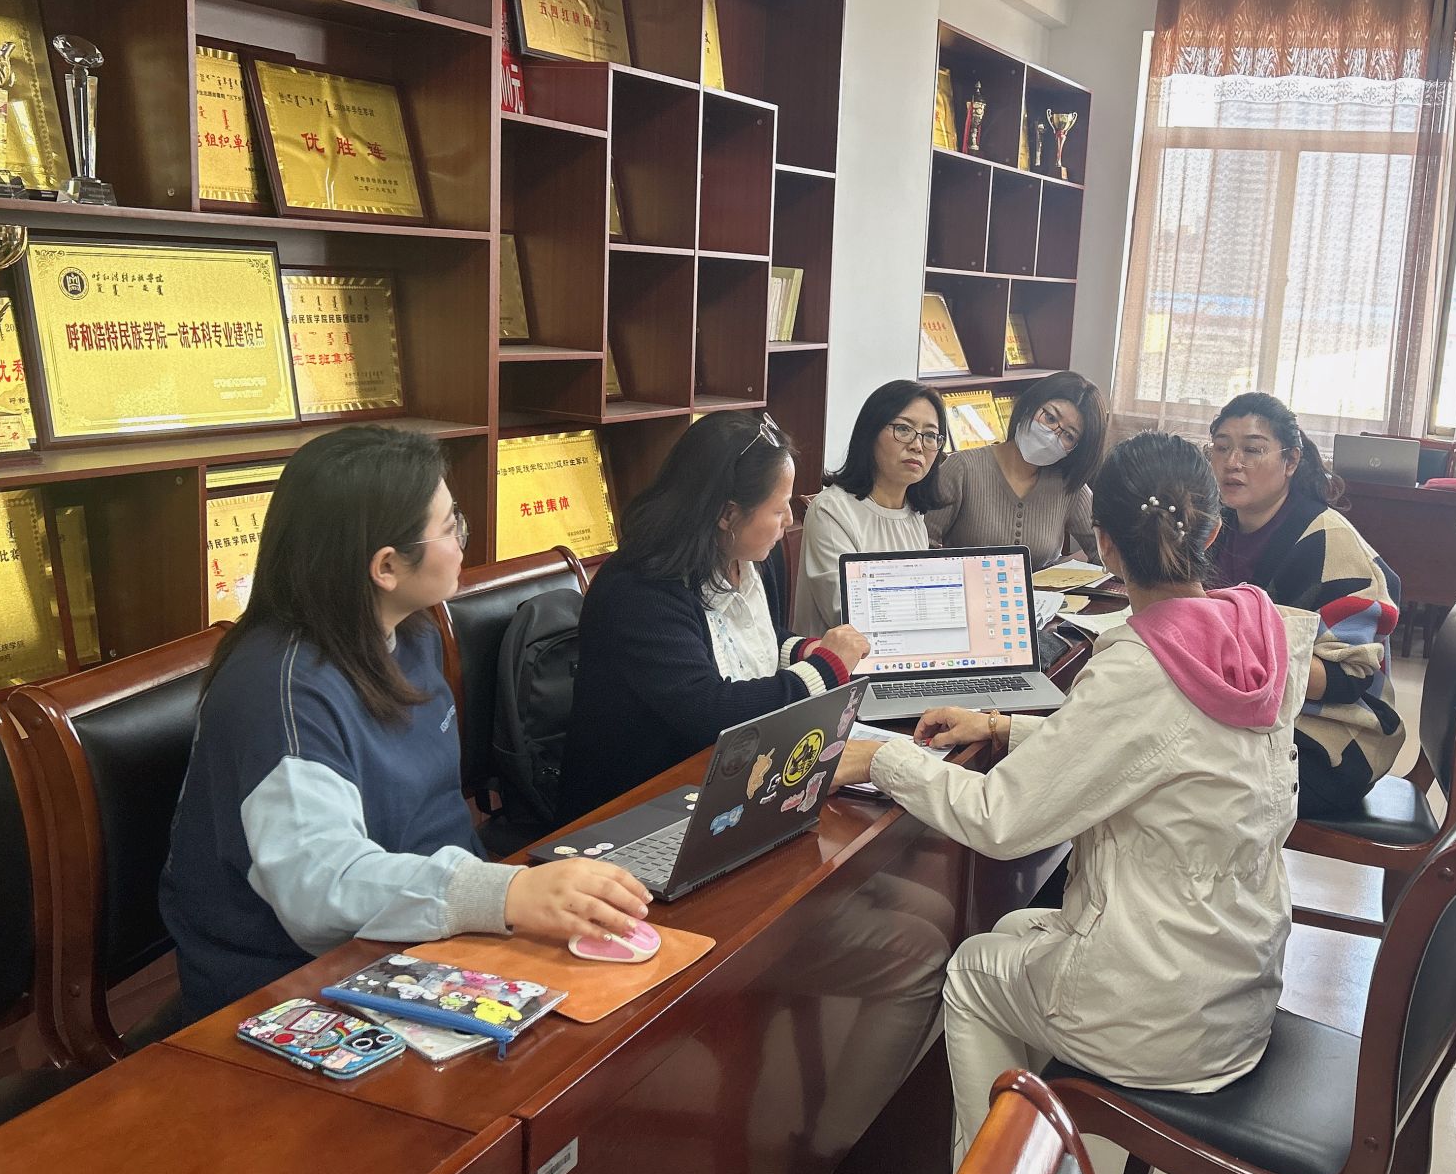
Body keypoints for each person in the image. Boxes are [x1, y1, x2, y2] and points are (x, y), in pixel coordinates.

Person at [837, 431, 1341, 1165]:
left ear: (1104, 545)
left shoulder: (1141, 668)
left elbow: (1001, 820)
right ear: (1212, 531)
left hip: (1164, 1014)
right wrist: (1003, 726)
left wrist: (884, 758)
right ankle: (1031, 1151)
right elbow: (1153, 751)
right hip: (1235, 978)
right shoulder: (1255, 636)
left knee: (972, 972)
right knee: (1015, 929)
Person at [160, 427, 652, 1019]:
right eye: (449, 526)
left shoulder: (408, 631)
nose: (462, 539)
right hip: (297, 984)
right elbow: (322, 888)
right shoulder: (281, 692)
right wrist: (504, 894)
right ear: (387, 566)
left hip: (428, 936)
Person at [563, 411, 870, 818]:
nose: (789, 521)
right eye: (779, 509)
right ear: (727, 515)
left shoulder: (753, 556)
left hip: (725, 780)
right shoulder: (639, 592)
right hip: (638, 803)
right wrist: (825, 669)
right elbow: (712, 714)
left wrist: (801, 651)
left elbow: (751, 636)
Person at [1204, 392, 1406, 817]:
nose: (1232, 462)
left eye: (1252, 450)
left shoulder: (1326, 538)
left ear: (1291, 461)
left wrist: (1222, 653)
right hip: (1271, 717)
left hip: (1333, 744)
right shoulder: (1223, 527)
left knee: (1168, 767)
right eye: (1221, 447)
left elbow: (1348, 678)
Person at [793, 380, 948, 638]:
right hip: (840, 661)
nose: (917, 445)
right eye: (903, 429)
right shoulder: (832, 511)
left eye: (930, 435)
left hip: (905, 652)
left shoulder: (913, 514)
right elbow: (847, 616)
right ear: (870, 432)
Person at [925, 371, 1106, 567]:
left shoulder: (1069, 486)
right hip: (966, 586)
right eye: (1050, 418)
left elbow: (1107, 550)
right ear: (1030, 405)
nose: (1052, 434)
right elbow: (922, 546)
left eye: (1069, 436)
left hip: (1042, 588)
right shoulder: (962, 468)